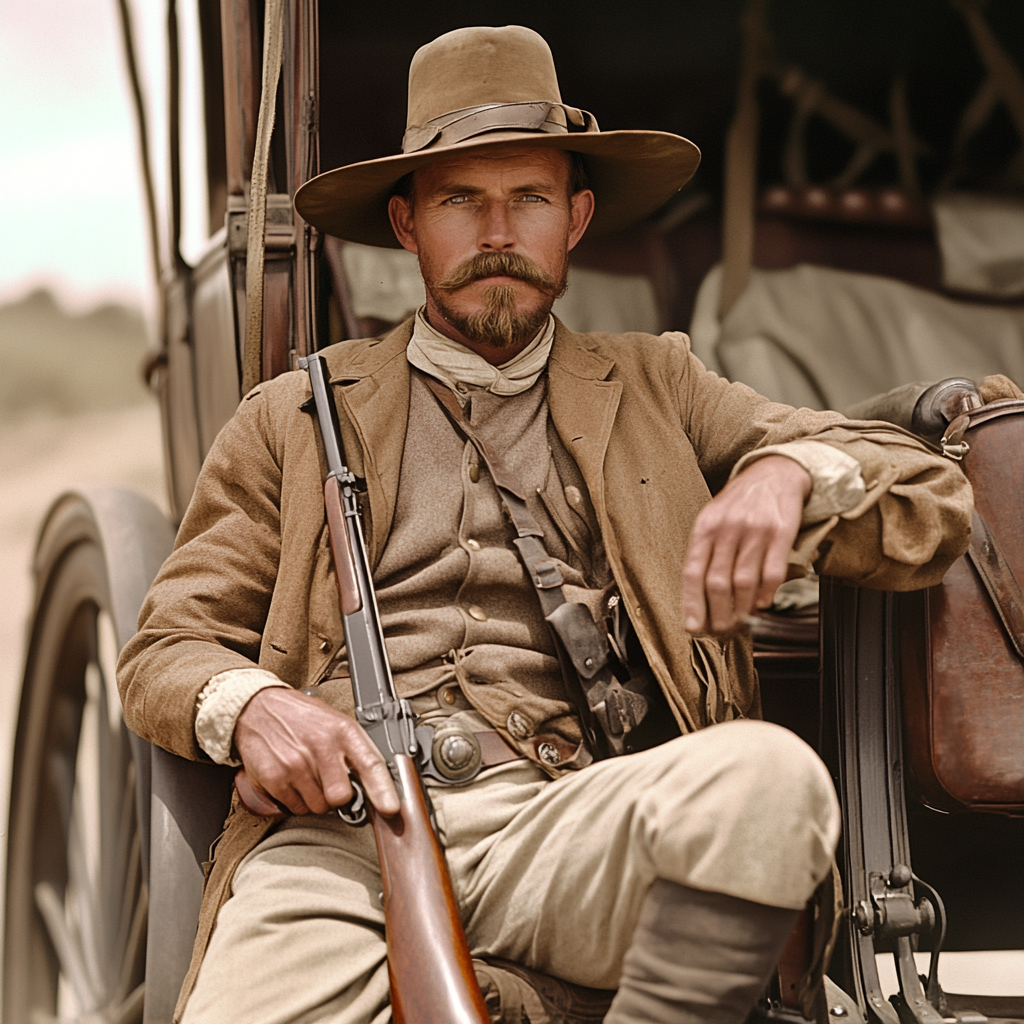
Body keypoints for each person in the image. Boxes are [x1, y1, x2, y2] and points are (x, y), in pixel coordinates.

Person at [117, 25, 972, 1024]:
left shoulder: (657, 381)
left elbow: (925, 493)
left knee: (770, 782)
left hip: (571, 819)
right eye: (459, 201)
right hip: (340, 843)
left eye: (527, 198)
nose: (496, 231)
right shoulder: (293, 416)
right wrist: (257, 705)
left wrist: (782, 469)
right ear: (406, 223)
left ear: (575, 216)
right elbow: (165, 647)